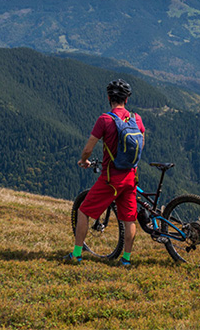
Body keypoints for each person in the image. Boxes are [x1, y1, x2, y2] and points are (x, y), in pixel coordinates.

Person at [65, 79, 145, 266]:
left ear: (109, 98)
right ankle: (126, 260)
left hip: (111, 178)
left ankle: (76, 254)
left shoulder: (105, 120)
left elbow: (88, 149)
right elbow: (141, 145)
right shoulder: (136, 118)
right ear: (126, 99)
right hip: (131, 177)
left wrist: (84, 161)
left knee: (84, 211)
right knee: (129, 219)